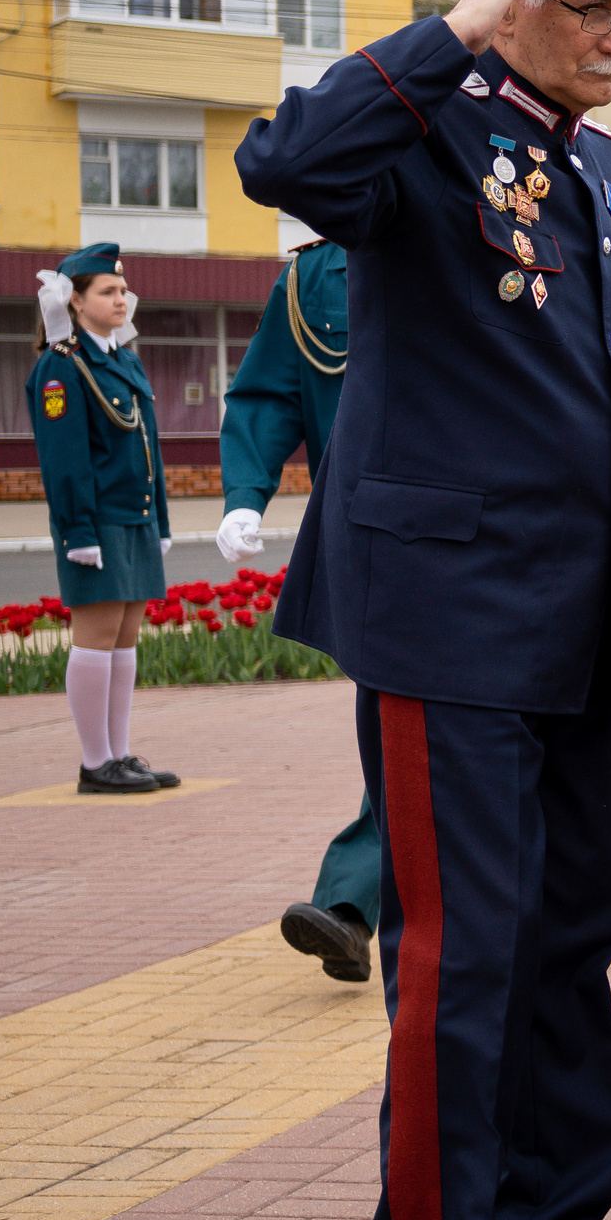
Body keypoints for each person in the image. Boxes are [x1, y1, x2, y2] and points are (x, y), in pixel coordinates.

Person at [234, 0, 611, 1220]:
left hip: (570, 620)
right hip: (448, 618)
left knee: (567, 937)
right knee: (460, 953)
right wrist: (451, 34)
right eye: (592, 3)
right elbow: (291, 162)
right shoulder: (424, 131)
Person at [214, 239, 384, 981]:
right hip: (371, 541)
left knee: (430, 737)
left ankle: (353, 902)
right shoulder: (317, 273)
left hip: (490, 539)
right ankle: (353, 906)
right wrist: (245, 493)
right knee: (403, 731)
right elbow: (271, 390)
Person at [26, 245, 181, 795]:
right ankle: (96, 762)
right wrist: (77, 531)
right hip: (96, 522)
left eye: (122, 291)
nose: (122, 299)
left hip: (133, 518)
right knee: (95, 637)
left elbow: (147, 445)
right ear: (76, 300)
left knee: (125, 637)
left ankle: (119, 754)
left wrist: (160, 518)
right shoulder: (60, 367)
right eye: (108, 292)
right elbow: (64, 459)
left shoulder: (122, 360)